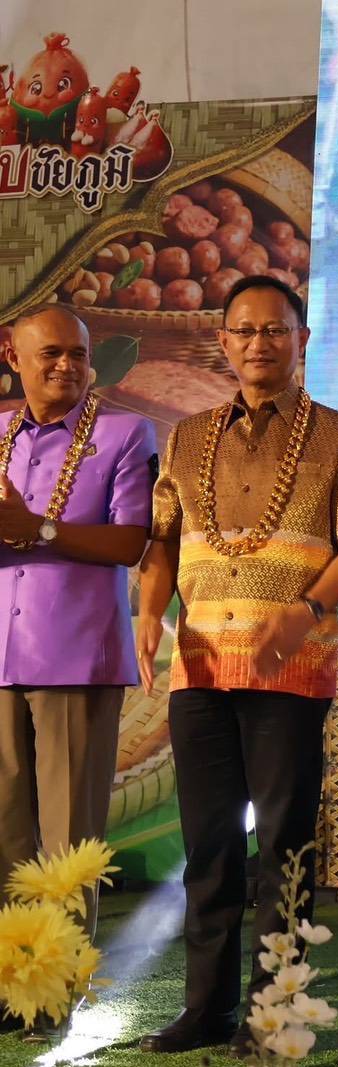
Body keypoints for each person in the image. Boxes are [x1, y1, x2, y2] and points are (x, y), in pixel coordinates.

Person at [136, 275, 338, 1055]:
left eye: (273, 330)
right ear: (224, 338)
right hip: (201, 669)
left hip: (290, 666)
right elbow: (162, 542)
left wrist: (306, 611)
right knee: (208, 846)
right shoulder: (184, 436)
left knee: (284, 841)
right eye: (243, 330)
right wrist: (148, 610)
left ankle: (276, 1011)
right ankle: (204, 1009)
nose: (257, 343)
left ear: (301, 340)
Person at [0, 306, 156, 943]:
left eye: (78, 355)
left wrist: (36, 529)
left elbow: (130, 544)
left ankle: (60, 983)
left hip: (75, 654)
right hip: (0, 655)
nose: (67, 365)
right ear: (14, 358)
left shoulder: (123, 432)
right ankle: (14, 978)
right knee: (6, 825)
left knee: (68, 835)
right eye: (51, 354)